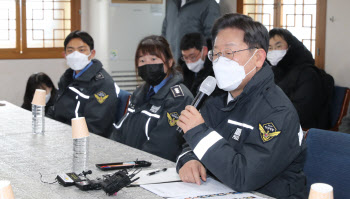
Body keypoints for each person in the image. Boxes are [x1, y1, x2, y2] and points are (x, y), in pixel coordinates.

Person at [176, 14, 306, 198]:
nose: (220, 62)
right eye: (216, 54)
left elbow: (243, 176)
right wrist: (189, 160)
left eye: (229, 53)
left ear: (258, 58)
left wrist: (198, 132)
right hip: (217, 189)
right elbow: (190, 144)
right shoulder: (217, 100)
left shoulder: (277, 112)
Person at [110, 35, 194, 162]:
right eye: (142, 61)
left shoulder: (179, 98)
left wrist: (131, 164)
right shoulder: (139, 92)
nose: (147, 64)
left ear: (170, 62)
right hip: (129, 164)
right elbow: (120, 130)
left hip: (155, 170)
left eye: (154, 59)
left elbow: (163, 147)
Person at [48, 31, 118, 138]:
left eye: (81, 50)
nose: (76, 54)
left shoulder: (102, 83)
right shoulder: (66, 77)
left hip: (84, 140)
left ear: (92, 53)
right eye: (70, 50)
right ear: (65, 55)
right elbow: (54, 110)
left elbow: (96, 126)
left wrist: (61, 136)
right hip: (61, 134)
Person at [267, 28, 332, 129]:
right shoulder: (275, 71)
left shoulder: (308, 74)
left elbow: (302, 111)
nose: (273, 51)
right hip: (277, 122)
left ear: (291, 47)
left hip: (302, 129)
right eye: (270, 48)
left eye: (278, 46)